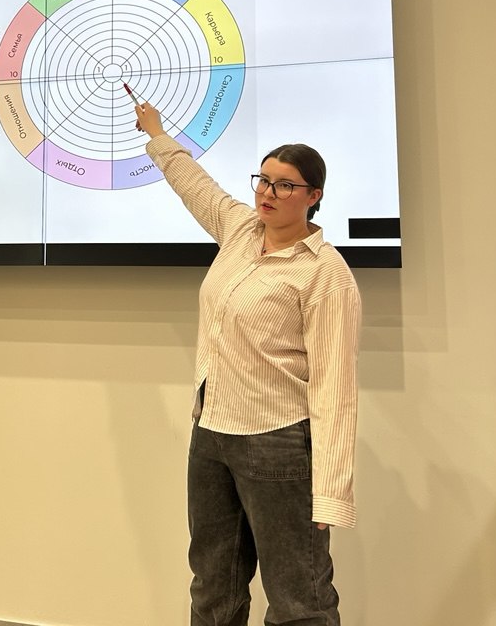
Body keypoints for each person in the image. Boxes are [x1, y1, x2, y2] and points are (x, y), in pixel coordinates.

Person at [134, 100, 361, 626]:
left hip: (278, 442)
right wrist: (158, 134)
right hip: (211, 434)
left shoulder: (325, 273)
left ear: (313, 196)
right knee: (213, 586)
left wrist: (330, 494)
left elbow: (336, 387)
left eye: (285, 185)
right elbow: (195, 184)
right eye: (263, 180)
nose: (268, 193)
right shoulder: (239, 230)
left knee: (298, 599)